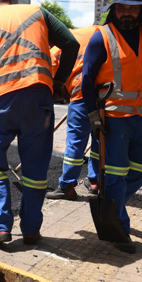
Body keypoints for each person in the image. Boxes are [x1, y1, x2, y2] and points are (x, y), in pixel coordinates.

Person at [0, 0, 79, 246]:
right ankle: (30, 230)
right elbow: (71, 44)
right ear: (8, 2)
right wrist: (59, 82)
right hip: (37, 98)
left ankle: (0, 228)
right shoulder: (36, 12)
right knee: (35, 167)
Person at [81, 0, 142, 254]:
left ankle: (113, 202)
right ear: (114, 10)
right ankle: (119, 230)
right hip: (113, 119)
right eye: (121, 8)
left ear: (141, 11)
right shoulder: (102, 37)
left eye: (132, 9)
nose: (126, 13)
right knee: (115, 174)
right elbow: (87, 78)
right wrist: (92, 114)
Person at [46, 25, 101, 200]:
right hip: (106, 95)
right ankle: (96, 182)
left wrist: (59, 95)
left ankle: (67, 186)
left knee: (75, 142)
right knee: (99, 140)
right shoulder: (97, 31)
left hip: (81, 95)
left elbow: (52, 83)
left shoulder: (57, 48)